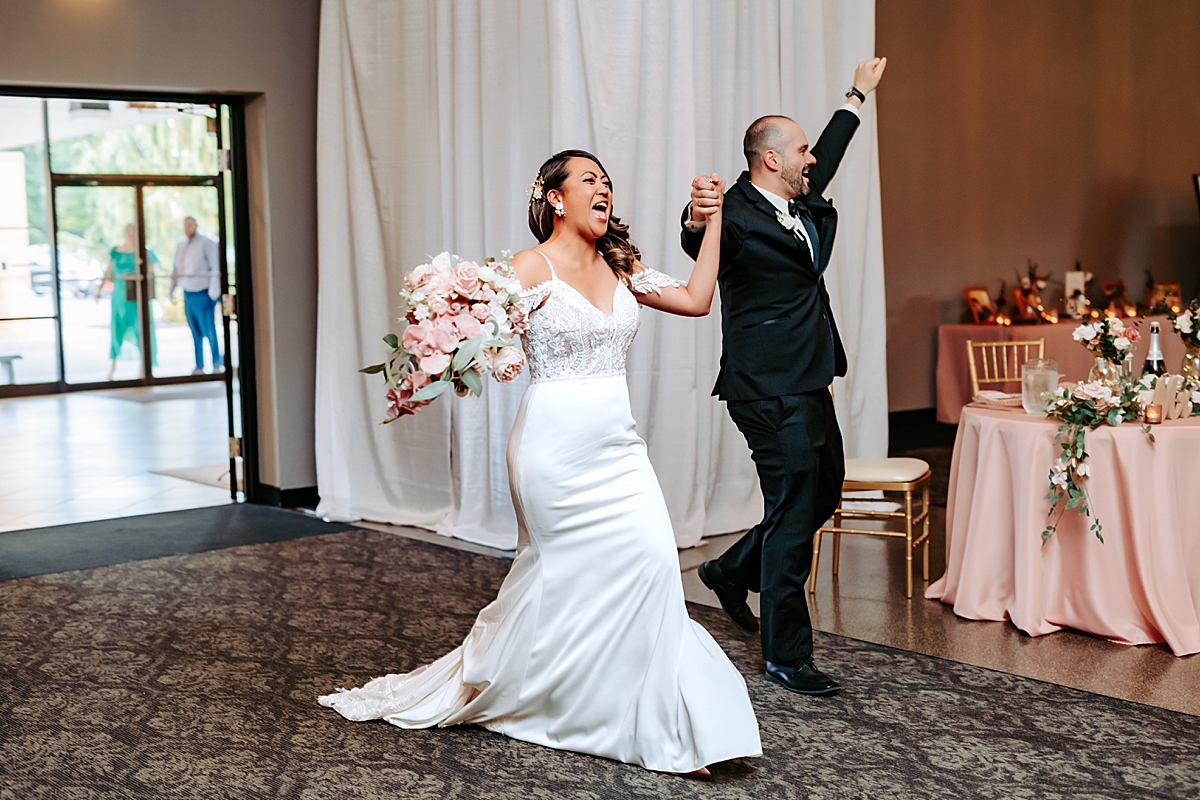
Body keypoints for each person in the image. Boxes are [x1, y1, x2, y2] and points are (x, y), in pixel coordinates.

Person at [319, 151, 761, 776]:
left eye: (607, 181)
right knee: (564, 578)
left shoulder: (621, 264)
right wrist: (436, 353)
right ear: (556, 198)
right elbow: (462, 327)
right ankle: (606, 717)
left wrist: (712, 221)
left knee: (655, 564)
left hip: (617, 444)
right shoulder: (529, 267)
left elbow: (695, 299)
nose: (603, 189)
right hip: (552, 449)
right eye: (589, 181)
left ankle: (658, 717)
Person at [681, 57, 888, 697]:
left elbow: (829, 150)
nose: (810, 159)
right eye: (799, 151)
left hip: (810, 377)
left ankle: (727, 571)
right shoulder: (733, 214)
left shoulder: (797, 197)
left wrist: (856, 96)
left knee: (822, 493)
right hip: (765, 386)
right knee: (794, 511)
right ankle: (787, 656)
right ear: (770, 159)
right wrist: (696, 218)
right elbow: (698, 244)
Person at [98, 223, 158, 381]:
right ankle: (112, 368)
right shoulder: (115, 252)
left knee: (141, 331)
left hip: (137, 298)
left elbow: (151, 272)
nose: (130, 234)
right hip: (119, 298)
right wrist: (99, 290)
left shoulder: (145, 251)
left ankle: (144, 369)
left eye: (134, 231)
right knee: (117, 331)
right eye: (128, 231)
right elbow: (108, 272)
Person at [170, 216, 222, 375]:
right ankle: (199, 365)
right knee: (195, 331)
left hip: (205, 292)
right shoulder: (181, 244)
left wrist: (214, 292)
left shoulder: (208, 242)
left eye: (190, 225)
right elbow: (175, 268)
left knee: (209, 329)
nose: (188, 228)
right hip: (188, 292)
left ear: (196, 225)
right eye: (185, 225)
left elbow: (215, 266)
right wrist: (171, 290)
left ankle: (216, 363)